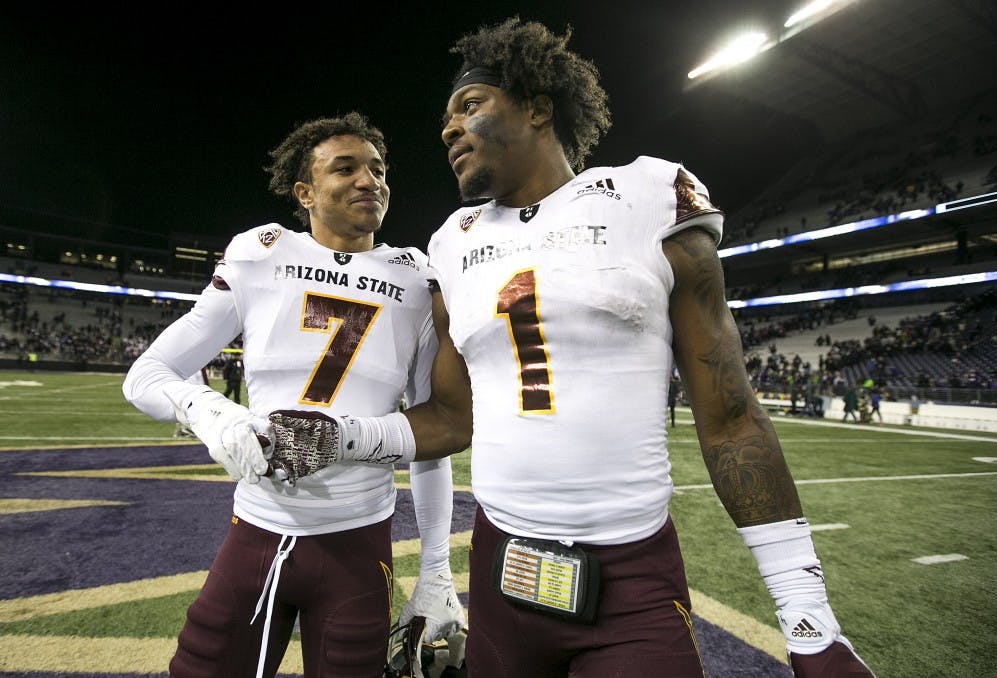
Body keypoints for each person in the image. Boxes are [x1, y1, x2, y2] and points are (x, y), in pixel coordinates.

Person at [265, 18, 875, 678]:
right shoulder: (451, 241)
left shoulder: (648, 195)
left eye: (470, 105)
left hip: (631, 571)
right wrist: (343, 443)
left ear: (536, 106)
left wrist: (809, 621)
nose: (447, 129)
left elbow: (730, 417)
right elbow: (448, 417)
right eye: (447, 116)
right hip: (502, 569)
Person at [122, 113, 464, 677]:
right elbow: (149, 373)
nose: (369, 181)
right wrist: (215, 415)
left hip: (360, 540)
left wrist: (435, 573)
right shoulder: (263, 256)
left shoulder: (415, 280)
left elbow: (434, 437)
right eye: (346, 168)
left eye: (378, 169)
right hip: (258, 530)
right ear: (304, 191)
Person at [173, 366, 210, 438]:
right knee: (188, 412)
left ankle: (183, 430)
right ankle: (184, 430)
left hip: (196, 392)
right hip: (191, 392)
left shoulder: (199, 368)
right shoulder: (191, 368)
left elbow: (203, 380)